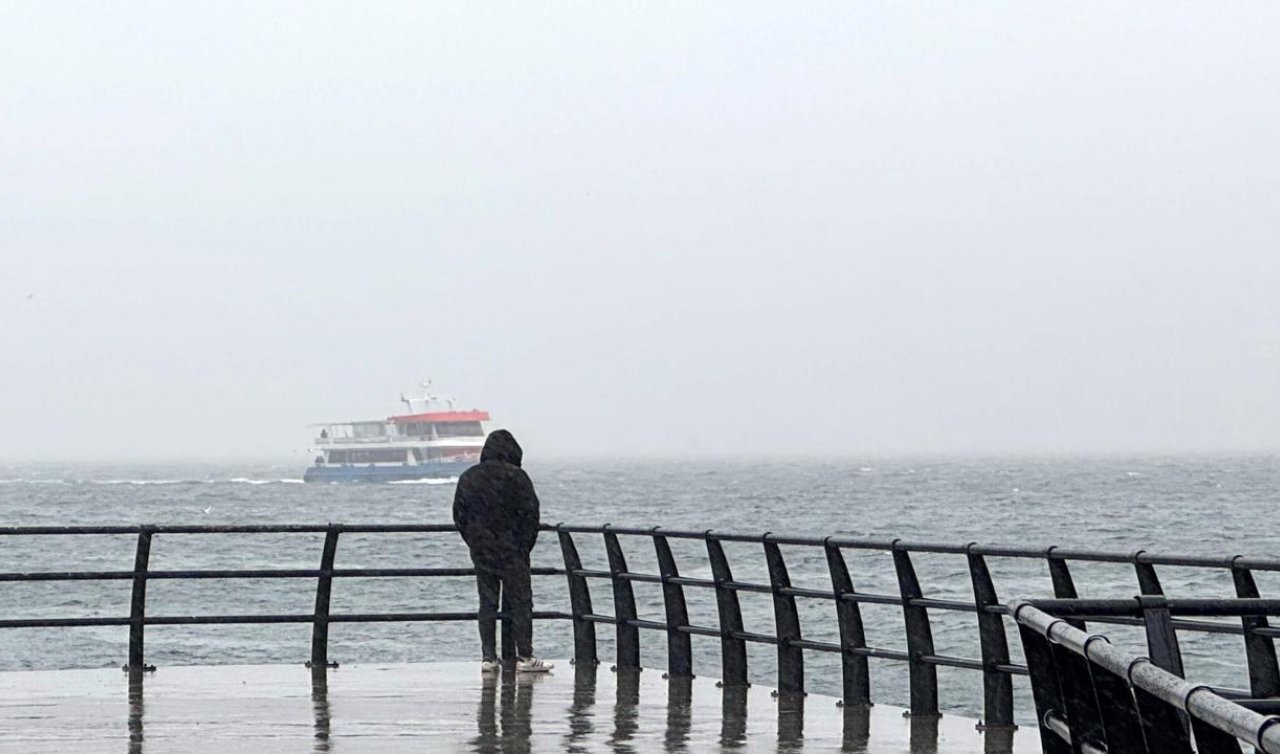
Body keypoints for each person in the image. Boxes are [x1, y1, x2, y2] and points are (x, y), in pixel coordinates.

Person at [452, 429, 552, 673]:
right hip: (513, 551)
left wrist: (475, 541)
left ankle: (488, 657)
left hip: (482, 550)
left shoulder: (469, 477)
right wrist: (522, 545)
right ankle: (524, 657)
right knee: (521, 603)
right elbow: (531, 515)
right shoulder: (517, 477)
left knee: (487, 603)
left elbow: (459, 515)